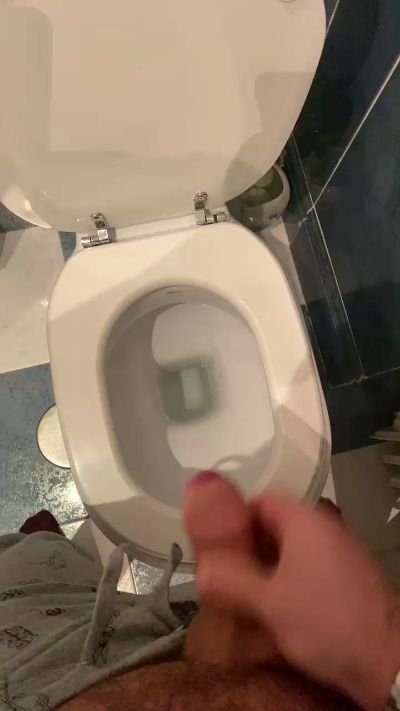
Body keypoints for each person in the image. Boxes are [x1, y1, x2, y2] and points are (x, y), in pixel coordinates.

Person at [0, 472, 399, 711]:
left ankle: (42, 546)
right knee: (43, 571)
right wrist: (385, 656)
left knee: (28, 569)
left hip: (28, 662)